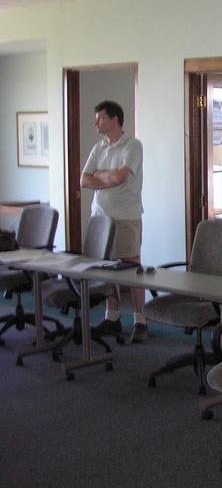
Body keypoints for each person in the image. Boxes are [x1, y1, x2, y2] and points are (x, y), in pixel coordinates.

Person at [80, 100, 147, 343]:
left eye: (100, 118)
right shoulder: (98, 148)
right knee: (106, 269)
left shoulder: (133, 146)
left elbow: (121, 177)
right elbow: (84, 180)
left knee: (132, 271)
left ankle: (140, 321)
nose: (96, 122)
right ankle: (112, 317)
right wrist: (103, 177)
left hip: (126, 217)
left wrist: (101, 176)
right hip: (101, 218)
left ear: (115, 119)